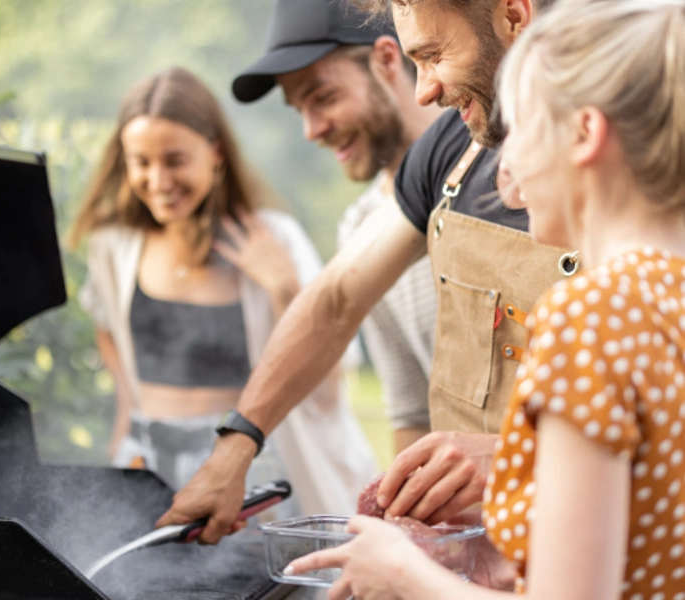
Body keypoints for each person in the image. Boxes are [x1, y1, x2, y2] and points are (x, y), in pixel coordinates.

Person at [288, 1, 685, 597]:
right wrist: (500, 560)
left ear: (584, 135)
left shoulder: (589, 315)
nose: (507, 172)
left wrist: (399, 572)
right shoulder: (666, 294)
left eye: (522, 129)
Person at [158, 0, 574, 542]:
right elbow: (335, 303)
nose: (424, 91)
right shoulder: (449, 148)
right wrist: (234, 448)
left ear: (514, 17)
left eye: (433, 54)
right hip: (478, 561)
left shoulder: (644, 148)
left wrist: (514, 458)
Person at [70, 66, 376, 514]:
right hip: (145, 459)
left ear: (215, 152)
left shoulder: (275, 238)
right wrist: (125, 411)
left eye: (174, 160)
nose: (158, 181)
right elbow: (106, 325)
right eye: (141, 162)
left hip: (244, 465)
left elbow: (330, 376)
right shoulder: (115, 245)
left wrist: (284, 286)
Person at [232, 0, 444, 456]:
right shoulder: (358, 228)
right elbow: (412, 414)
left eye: (324, 97)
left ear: (388, 59)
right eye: (299, 110)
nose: (311, 130)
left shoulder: (496, 170)